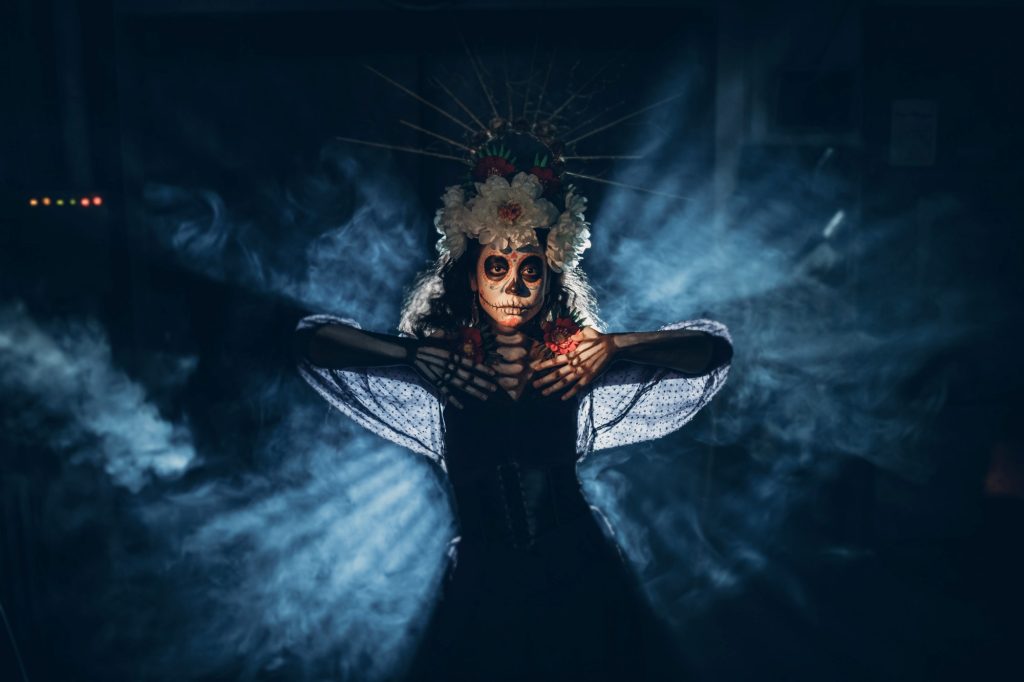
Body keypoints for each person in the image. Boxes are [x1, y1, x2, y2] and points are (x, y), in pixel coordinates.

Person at [294, 130, 732, 681]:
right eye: (496, 268)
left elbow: (713, 351)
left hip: (578, 568)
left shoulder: (571, 364)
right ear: (471, 276)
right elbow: (312, 344)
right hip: (484, 579)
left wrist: (618, 345)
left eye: (531, 270)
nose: (515, 287)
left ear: (551, 278)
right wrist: (408, 352)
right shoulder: (447, 369)